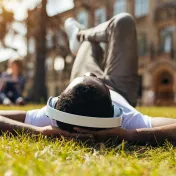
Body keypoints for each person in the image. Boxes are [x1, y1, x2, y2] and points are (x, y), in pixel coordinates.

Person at [1, 13, 176, 145]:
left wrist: (38, 132)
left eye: (81, 78)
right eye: (92, 76)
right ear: (114, 108)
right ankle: (82, 35)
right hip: (122, 88)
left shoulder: (49, 119)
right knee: (123, 22)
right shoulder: (127, 120)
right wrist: (130, 135)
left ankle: (80, 36)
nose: (89, 73)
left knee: (89, 43)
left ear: (57, 102)